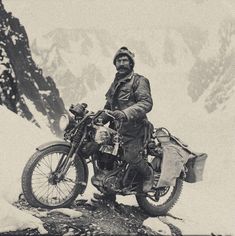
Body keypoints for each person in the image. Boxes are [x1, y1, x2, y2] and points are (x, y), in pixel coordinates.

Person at [94, 46, 154, 202]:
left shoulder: (139, 80)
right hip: (117, 128)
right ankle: (109, 192)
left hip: (136, 128)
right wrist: (97, 118)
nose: (121, 63)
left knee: (130, 155)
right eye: (119, 60)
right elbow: (109, 106)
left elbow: (146, 103)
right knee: (104, 154)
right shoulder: (116, 83)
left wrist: (126, 113)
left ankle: (149, 175)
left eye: (125, 60)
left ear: (131, 63)